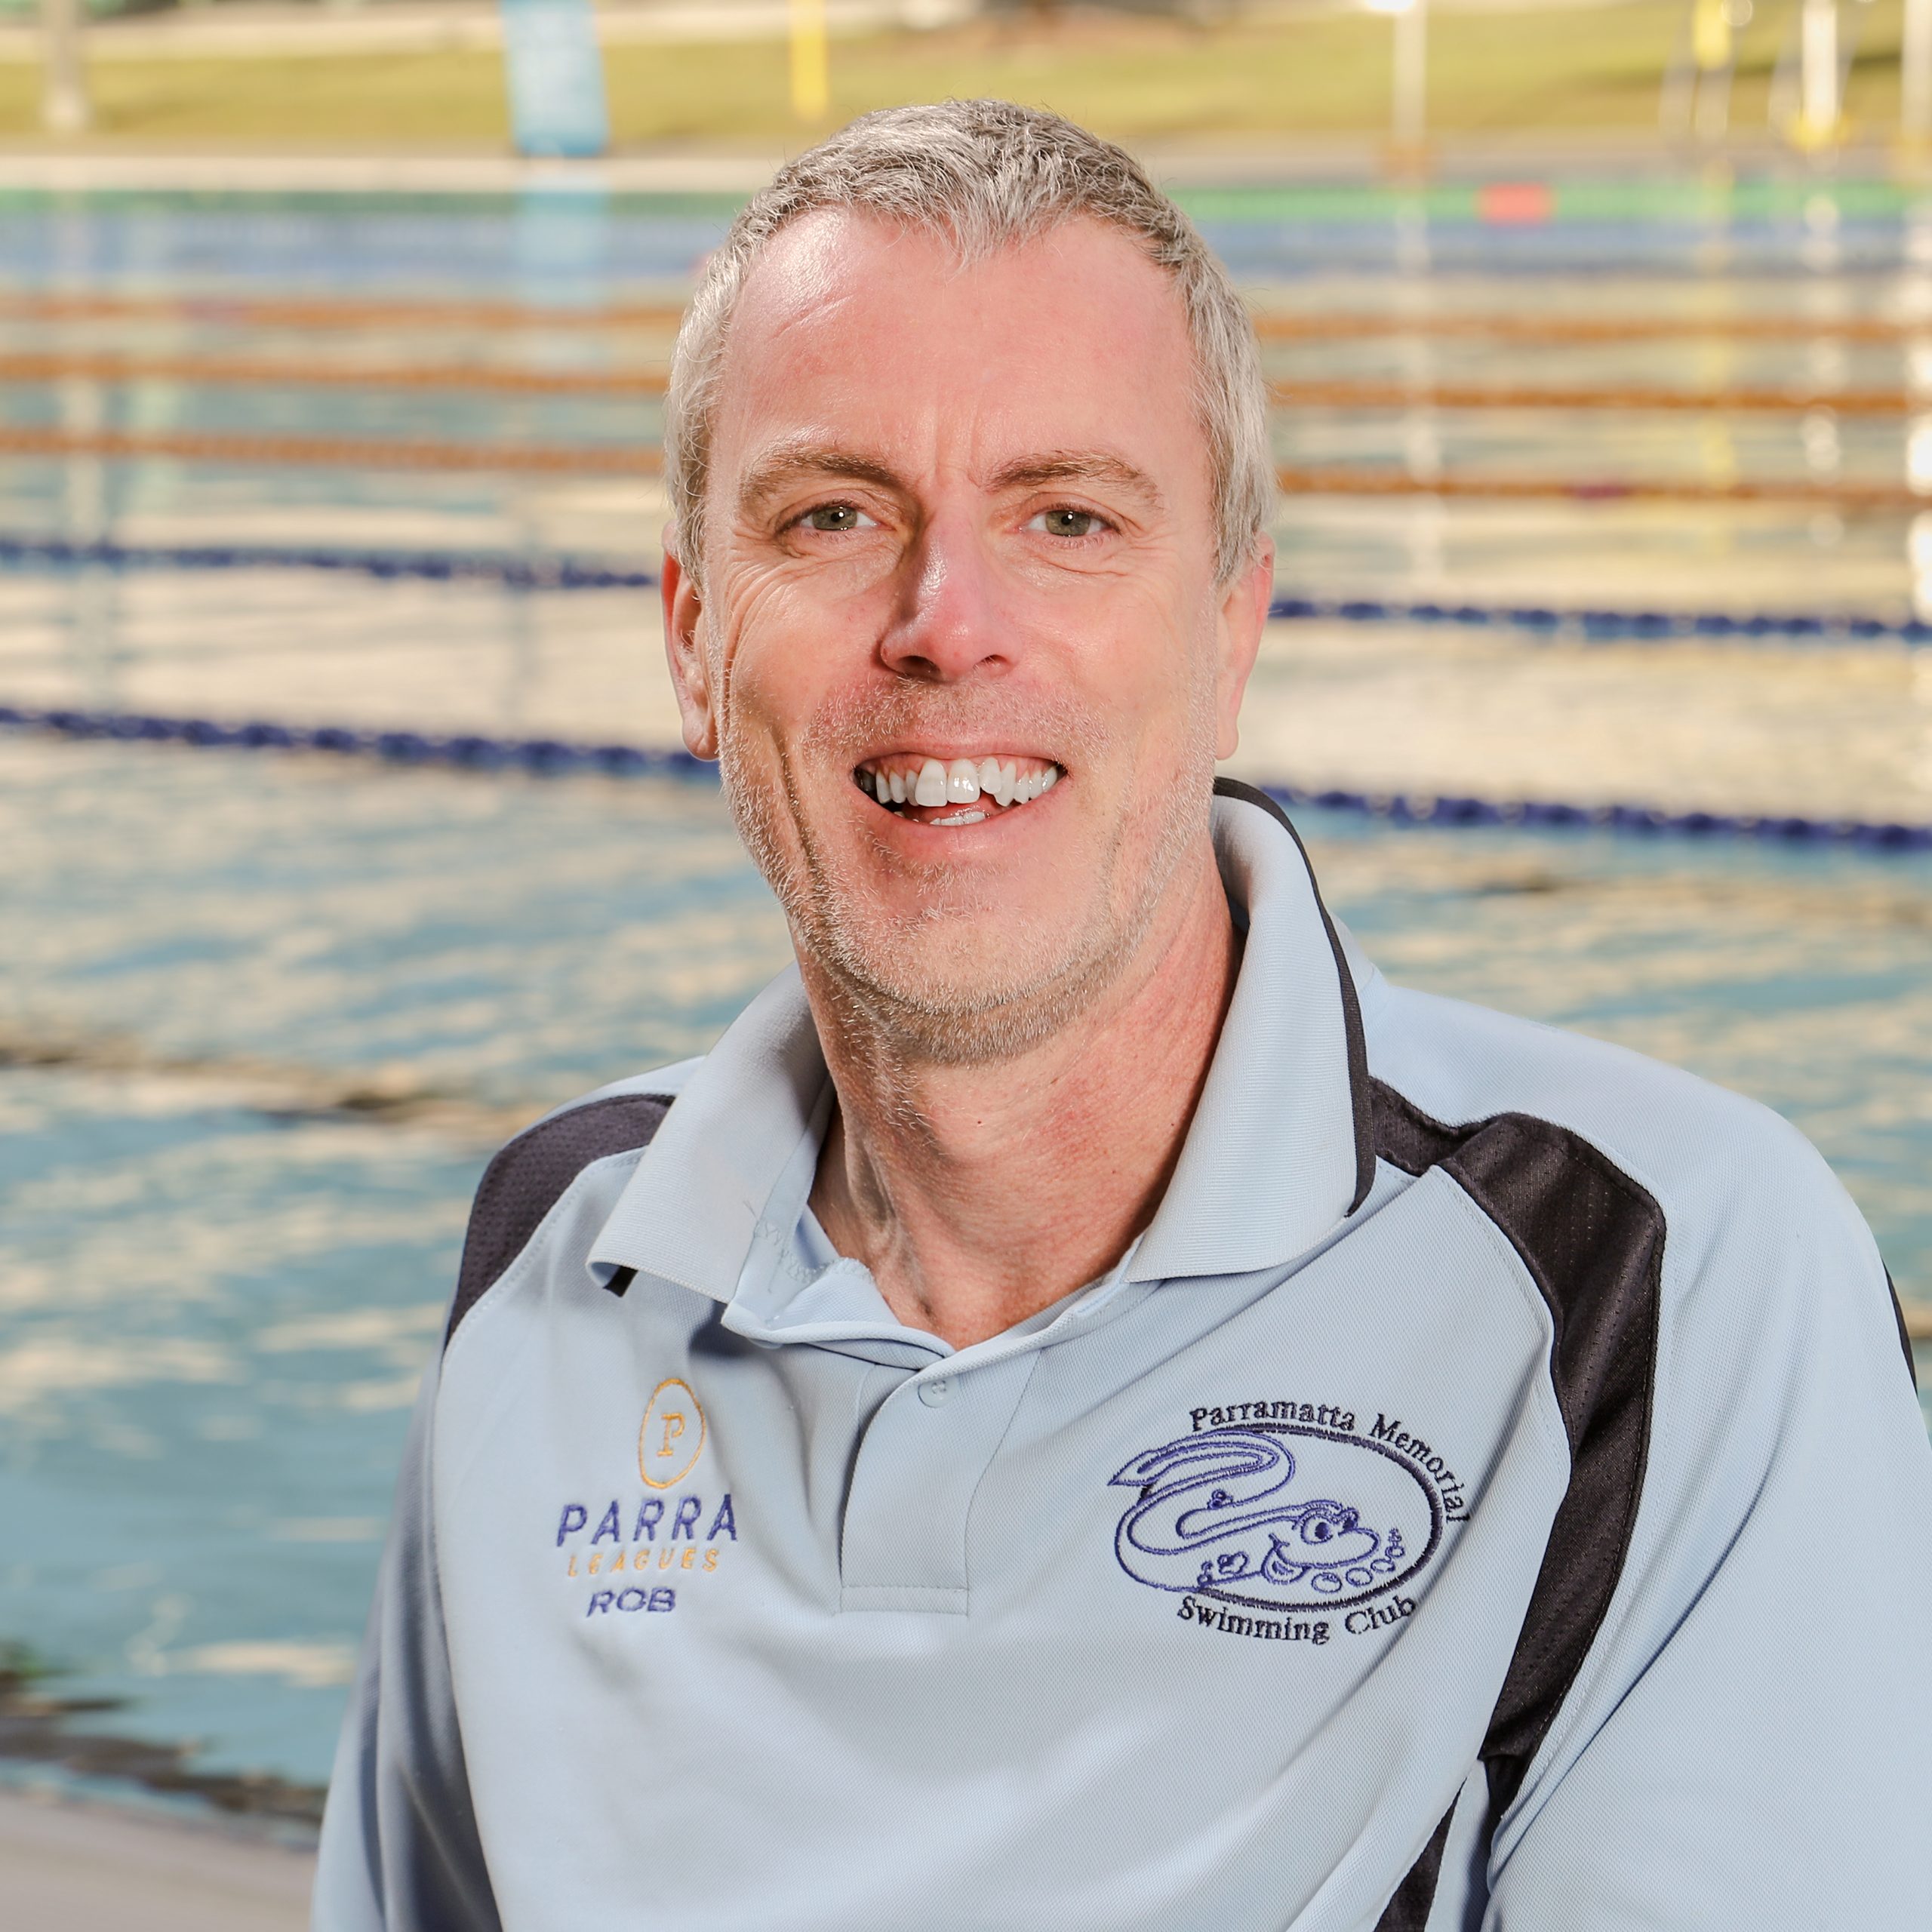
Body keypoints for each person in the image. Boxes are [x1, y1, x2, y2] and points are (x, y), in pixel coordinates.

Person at [313, 101, 1932, 1931]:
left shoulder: (1649, 1279)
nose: (945, 624)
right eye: (832, 514)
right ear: (693, 635)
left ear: (1228, 629)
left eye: (1065, 516)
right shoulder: (556, 1266)